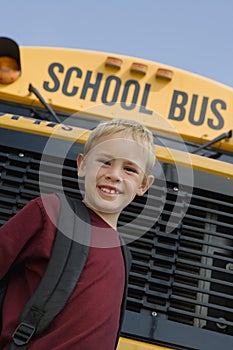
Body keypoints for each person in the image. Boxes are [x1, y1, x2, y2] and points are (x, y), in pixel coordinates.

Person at [0, 118, 155, 350]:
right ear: (82, 165)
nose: (114, 174)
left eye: (129, 169)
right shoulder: (51, 212)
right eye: (105, 161)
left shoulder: (124, 255)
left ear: (143, 185)